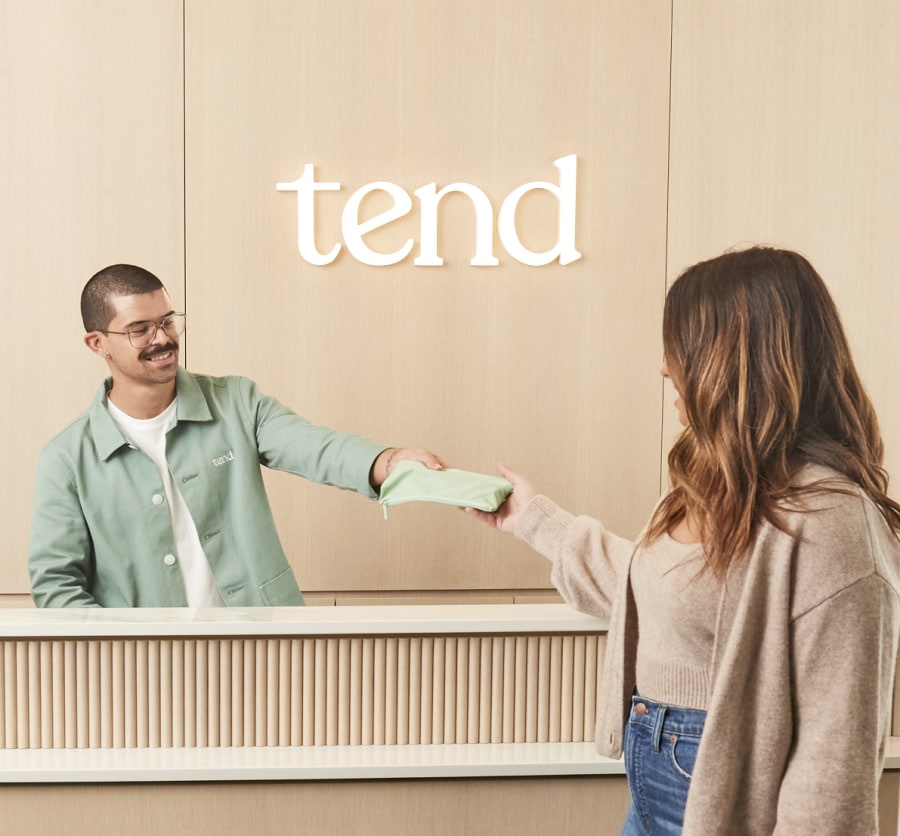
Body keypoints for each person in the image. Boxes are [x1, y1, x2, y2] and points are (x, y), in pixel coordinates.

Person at [466, 246, 900, 835]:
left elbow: (834, 766)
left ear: (735, 359)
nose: (664, 368)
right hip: (656, 775)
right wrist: (533, 520)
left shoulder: (833, 525)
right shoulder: (712, 482)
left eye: (682, 346)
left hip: (722, 795)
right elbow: (654, 591)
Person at [28, 264, 444, 608]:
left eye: (168, 321)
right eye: (140, 329)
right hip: (149, 672)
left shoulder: (236, 403)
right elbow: (57, 586)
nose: (163, 339)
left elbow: (315, 447)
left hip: (264, 650)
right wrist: (125, 656)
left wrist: (388, 461)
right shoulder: (66, 458)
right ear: (97, 343)